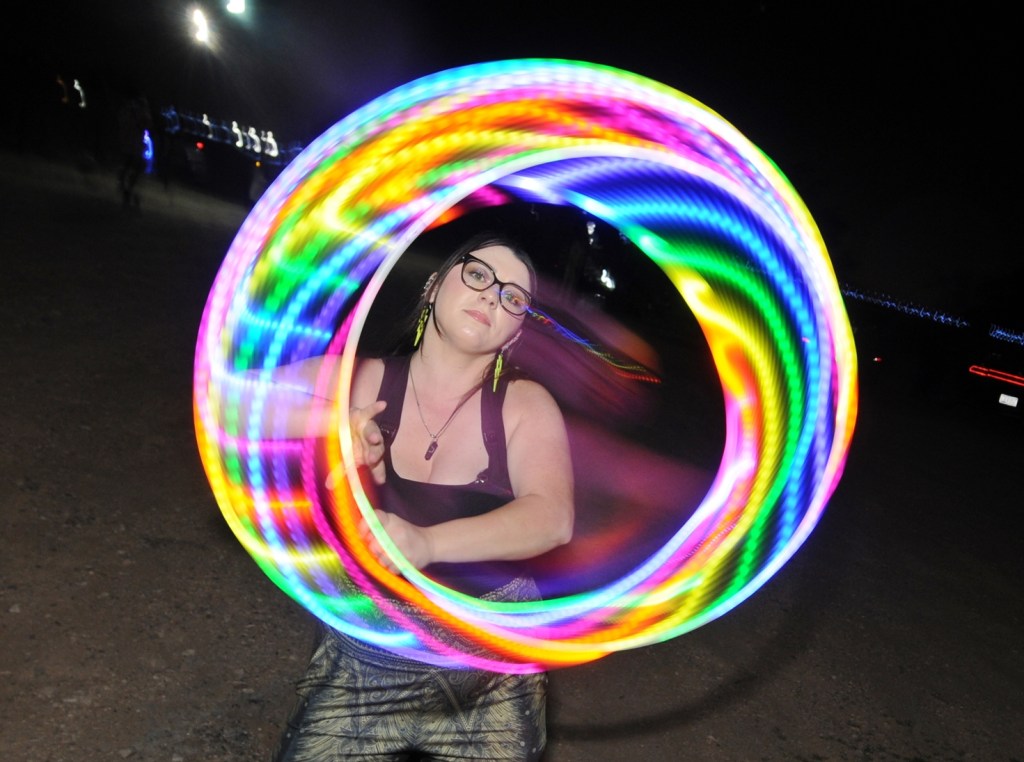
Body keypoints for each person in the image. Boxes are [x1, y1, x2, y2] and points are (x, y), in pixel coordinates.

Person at [271, 231, 575, 761]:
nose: (491, 296)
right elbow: (226, 400)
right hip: (369, 646)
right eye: (479, 275)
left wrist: (426, 543)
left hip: (489, 662)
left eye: (513, 297)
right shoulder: (362, 380)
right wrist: (332, 421)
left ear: (514, 333)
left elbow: (551, 519)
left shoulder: (526, 406)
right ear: (435, 286)